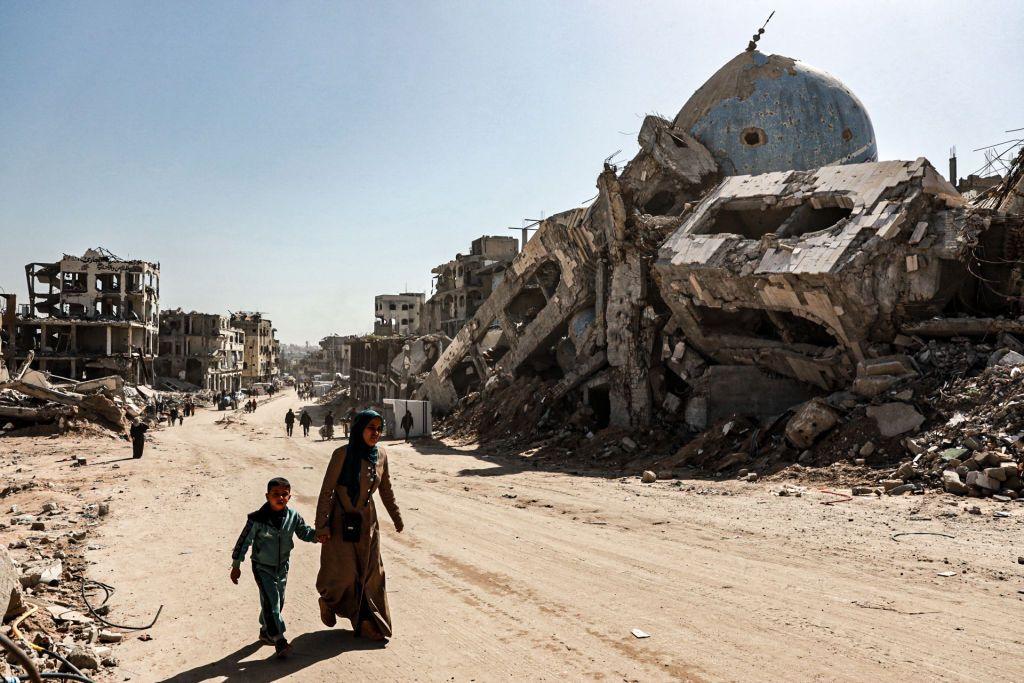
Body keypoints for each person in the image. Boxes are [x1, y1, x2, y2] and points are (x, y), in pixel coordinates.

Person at [315, 410, 403, 642]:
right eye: (370, 428)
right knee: (344, 575)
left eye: (379, 428)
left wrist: (396, 517)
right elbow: (327, 491)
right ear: (359, 429)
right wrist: (321, 526)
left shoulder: (381, 455)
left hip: (367, 523)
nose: (376, 433)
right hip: (340, 522)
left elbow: (386, 490)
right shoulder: (342, 454)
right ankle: (328, 601)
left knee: (372, 574)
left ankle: (366, 622)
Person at [230, 477, 318, 659]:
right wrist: (236, 565)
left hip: (282, 567)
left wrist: (319, 536)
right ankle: (279, 640)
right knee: (272, 603)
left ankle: (265, 631)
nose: (280, 497)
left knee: (277, 601)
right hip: (262, 567)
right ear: (267, 496)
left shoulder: (293, 516)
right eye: (275, 494)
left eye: (284, 494)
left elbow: (304, 532)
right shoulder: (257, 519)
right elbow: (243, 541)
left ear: (290, 496)